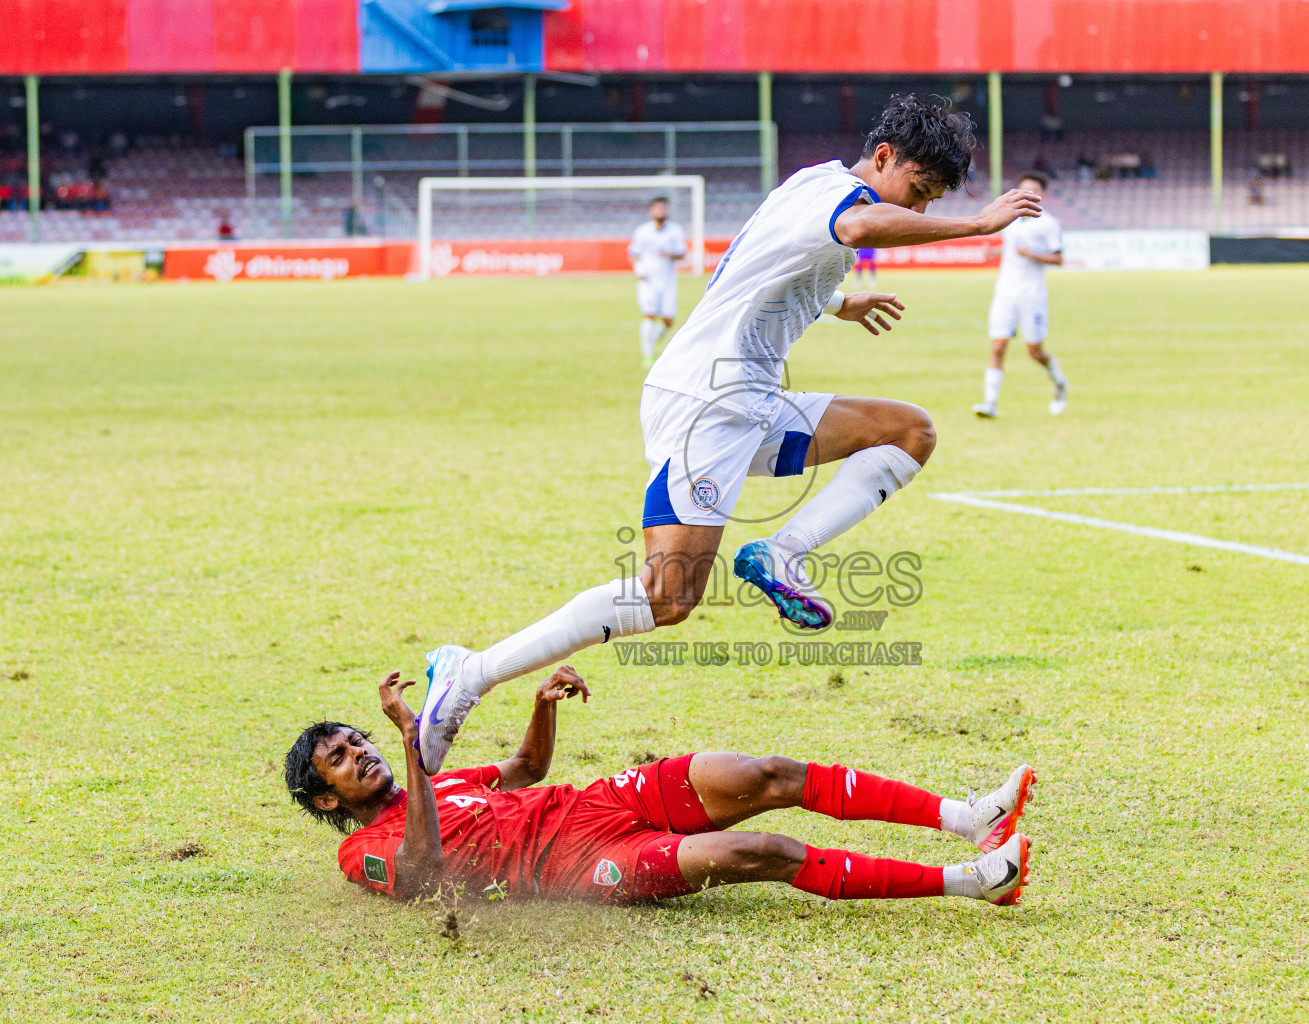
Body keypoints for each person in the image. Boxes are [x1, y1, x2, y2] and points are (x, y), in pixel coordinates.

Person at [409, 94, 1042, 773]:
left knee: (908, 432)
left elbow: (759, 261)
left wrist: (836, 301)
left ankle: (780, 553)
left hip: (748, 401)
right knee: (667, 596)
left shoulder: (812, 184)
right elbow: (858, 229)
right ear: (884, 157)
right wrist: (975, 223)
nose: (917, 212)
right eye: (917, 192)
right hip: (707, 403)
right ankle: (468, 673)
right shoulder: (839, 198)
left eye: (931, 201)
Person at [287, 667, 1037, 907]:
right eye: (342, 762)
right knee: (764, 850)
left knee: (764, 774)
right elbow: (420, 873)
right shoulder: (364, 853)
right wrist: (416, 753)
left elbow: (526, 772)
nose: (362, 755)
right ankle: (969, 881)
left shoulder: (441, 779)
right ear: (328, 799)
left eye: (359, 742)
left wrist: (541, 707)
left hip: (596, 803)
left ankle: (966, 817)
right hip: (578, 870)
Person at [974, 173, 1067, 419]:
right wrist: (993, 252)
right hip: (1005, 292)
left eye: (1033, 191)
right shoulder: (1011, 220)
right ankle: (990, 403)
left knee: (1035, 352)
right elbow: (1009, 247)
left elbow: (1058, 258)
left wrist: (1032, 254)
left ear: (1042, 195)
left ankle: (1059, 381)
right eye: (1023, 190)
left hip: (1032, 295)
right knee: (998, 346)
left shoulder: (1048, 223)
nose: (1027, 194)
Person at [628, 197, 690, 367]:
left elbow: (682, 254)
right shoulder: (642, 231)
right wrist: (639, 270)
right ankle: (647, 356)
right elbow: (634, 255)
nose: (660, 212)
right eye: (657, 209)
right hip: (648, 281)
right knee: (649, 315)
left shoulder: (675, 231)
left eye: (663, 209)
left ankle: (651, 341)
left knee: (668, 320)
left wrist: (669, 254)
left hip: (668, 281)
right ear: (651, 211)